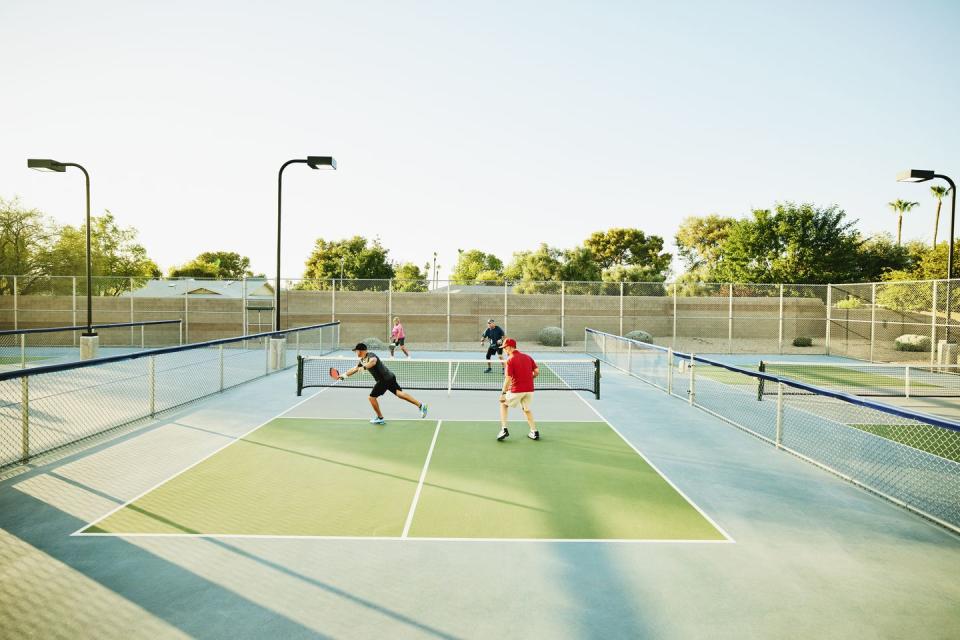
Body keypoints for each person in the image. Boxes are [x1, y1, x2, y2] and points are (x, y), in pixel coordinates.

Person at [339, 342, 428, 425]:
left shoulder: (370, 355)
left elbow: (373, 362)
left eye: (356, 351)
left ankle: (380, 418)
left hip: (383, 380)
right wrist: (343, 376)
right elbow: (354, 369)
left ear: (361, 351)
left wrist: (364, 368)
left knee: (371, 398)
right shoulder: (362, 360)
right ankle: (421, 405)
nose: (355, 352)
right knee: (399, 393)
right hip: (390, 376)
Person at [496, 338, 539, 441]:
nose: (504, 350)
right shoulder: (528, 357)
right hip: (529, 390)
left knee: (503, 404)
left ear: (510, 347)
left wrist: (503, 393)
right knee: (526, 409)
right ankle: (534, 431)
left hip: (517, 390)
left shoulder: (510, 360)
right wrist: (530, 378)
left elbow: (508, 378)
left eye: (505, 348)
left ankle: (504, 429)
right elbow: (537, 371)